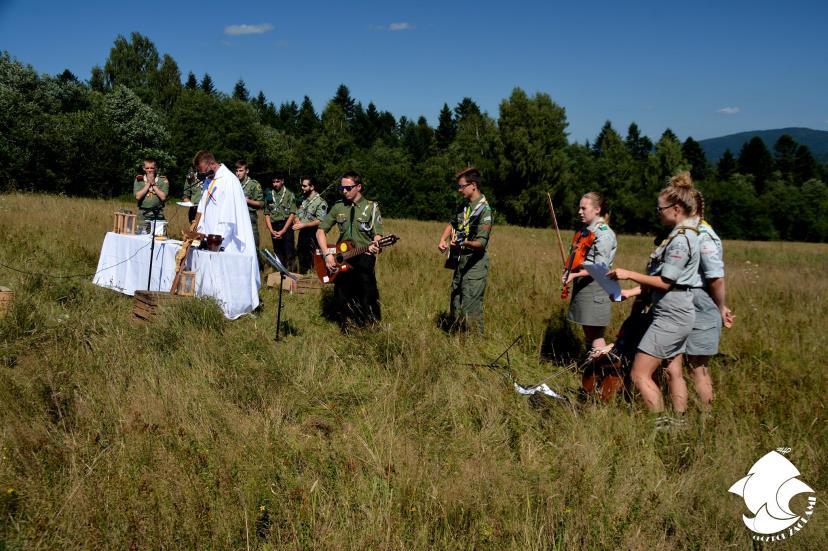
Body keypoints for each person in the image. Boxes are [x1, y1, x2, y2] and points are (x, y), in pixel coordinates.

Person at [607, 171, 700, 427]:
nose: (657, 213)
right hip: (675, 312)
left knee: (639, 374)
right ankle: (679, 425)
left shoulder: (680, 242)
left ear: (676, 208)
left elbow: (666, 282)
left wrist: (628, 275)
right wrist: (634, 292)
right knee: (672, 370)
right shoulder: (678, 236)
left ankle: (660, 429)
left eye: (660, 209)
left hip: (671, 316)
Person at [684, 190, 734, 409]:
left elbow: (715, 278)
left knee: (698, 367)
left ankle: (706, 416)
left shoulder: (704, 235)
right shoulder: (689, 231)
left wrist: (720, 307)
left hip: (701, 306)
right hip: (690, 303)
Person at [316, 171, 384, 329]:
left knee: (367, 297)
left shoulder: (371, 207)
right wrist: (327, 255)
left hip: (364, 258)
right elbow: (320, 231)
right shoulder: (338, 206)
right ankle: (345, 329)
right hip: (342, 258)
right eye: (342, 188)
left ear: (358, 187)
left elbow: (378, 235)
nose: (344, 191)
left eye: (348, 188)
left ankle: (369, 330)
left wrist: (376, 244)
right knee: (342, 297)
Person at [437, 167, 493, 334]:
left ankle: (475, 343)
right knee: (455, 300)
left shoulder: (485, 210)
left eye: (462, 186)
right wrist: (443, 239)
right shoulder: (464, 205)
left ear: (473, 185)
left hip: (474, 263)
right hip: (459, 260)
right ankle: (456, 337)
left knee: (471, 305)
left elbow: (482, 243)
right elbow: (453, 223)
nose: (459, 190)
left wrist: (464, 242)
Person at [564, 192, 617, 352]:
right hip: (586, 285)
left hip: (597, 287)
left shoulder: (604, 233)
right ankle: (589, 369)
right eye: (579, 208)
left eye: (583, 208)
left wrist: (575, 274)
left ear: (597, 209)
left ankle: (599, 371)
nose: (579, 212)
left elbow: (601, 266)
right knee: (588, 332)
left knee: (595, 335)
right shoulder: (586, 230)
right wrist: (570, 268)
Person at [192, 150, 256, 256]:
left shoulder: (229, 180)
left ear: (212, 163)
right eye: (202, 173)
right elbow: (202, 208)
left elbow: (228, 218)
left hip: (225, 244)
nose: (204, 175)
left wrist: (216, 240)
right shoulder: (209, 179)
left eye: (205, 171)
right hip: (208, 241)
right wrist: (200, 232)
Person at [294, 176, 328, 273]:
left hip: (314, 235)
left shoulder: (321, 202)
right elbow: (298, 212)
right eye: (302, 186)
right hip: (303, 234)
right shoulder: (304, 200)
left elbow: (320, 220)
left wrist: (304, 225)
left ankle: (313, 280)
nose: (302, 188)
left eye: (304, 186)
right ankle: (303, 278)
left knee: (314, 258)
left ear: (312, 187)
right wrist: (297, 220)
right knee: (301, 256)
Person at [264, 173, 297, 270]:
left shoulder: (289, 194)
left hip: (286, 225)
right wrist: (271, 230)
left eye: (277, 181)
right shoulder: (269, 195)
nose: (275, 184)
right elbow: (267, 214)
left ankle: (292, 275)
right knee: (278, 252)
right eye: (273, 182)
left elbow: (292, 214)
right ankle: (280, 275)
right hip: (274, 226)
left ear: (282, 181)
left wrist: (283, 230)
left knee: (289, 252)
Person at [235, 160, 264, 250]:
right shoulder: (234, 183)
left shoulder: (253, 185)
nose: (238, 173)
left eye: (241, 170)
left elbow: (261, 203)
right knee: (238, 246)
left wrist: (247, 200)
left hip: (249, 217)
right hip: (236, 217)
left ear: (247, 171)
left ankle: (257, 264)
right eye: (236, 171)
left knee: (253, 246)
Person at [133, 158, 169, 226]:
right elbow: (138, 196)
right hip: (143, 212)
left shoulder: (162, 180)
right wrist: (148, 184)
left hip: (158, 213)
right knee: (142, 235)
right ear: (144, 168)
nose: (149, 170)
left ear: (155, 168)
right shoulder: (139, 180)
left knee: (159, 235)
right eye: (147, 168)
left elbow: (163, 197)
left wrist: (154, 184)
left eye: (152, 168)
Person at [182, 158, 204, 224]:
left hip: (208, 210)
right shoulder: (191, 178)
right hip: (194, 209)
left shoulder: (212, 176)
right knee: (194, 232)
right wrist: (189, 203)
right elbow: (185, 196)